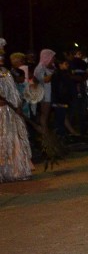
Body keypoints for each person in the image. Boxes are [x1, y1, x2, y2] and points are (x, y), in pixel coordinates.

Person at [0, 45, 34, 182]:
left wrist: (17, 105)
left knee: (14, 140)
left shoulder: (5, 72)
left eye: (2, 55)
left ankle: (16, 171)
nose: (1, 58)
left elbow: (13, 90)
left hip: (11, 113)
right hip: (2, 113)